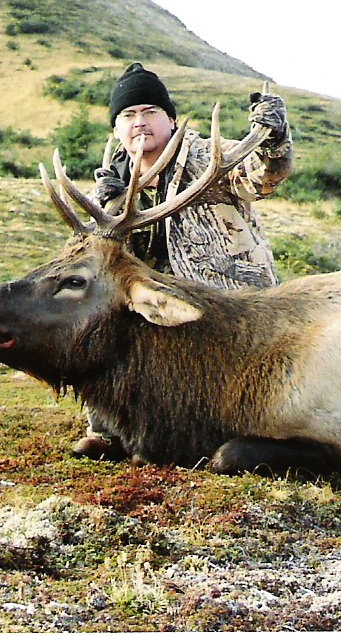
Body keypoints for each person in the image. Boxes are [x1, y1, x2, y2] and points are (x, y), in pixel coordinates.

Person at [72, 62, 294, 459]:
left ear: (170, 119)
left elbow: (262, 178)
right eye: (128, 115)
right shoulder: (113, 179)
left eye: (150, 112)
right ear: (116, 129)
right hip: (152, 299)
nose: (140, 122)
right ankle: (106, 429)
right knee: (101, 322)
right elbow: (89, 258)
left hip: (227, 295)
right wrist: (107, 210)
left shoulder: (208, 154)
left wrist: (274, 140)